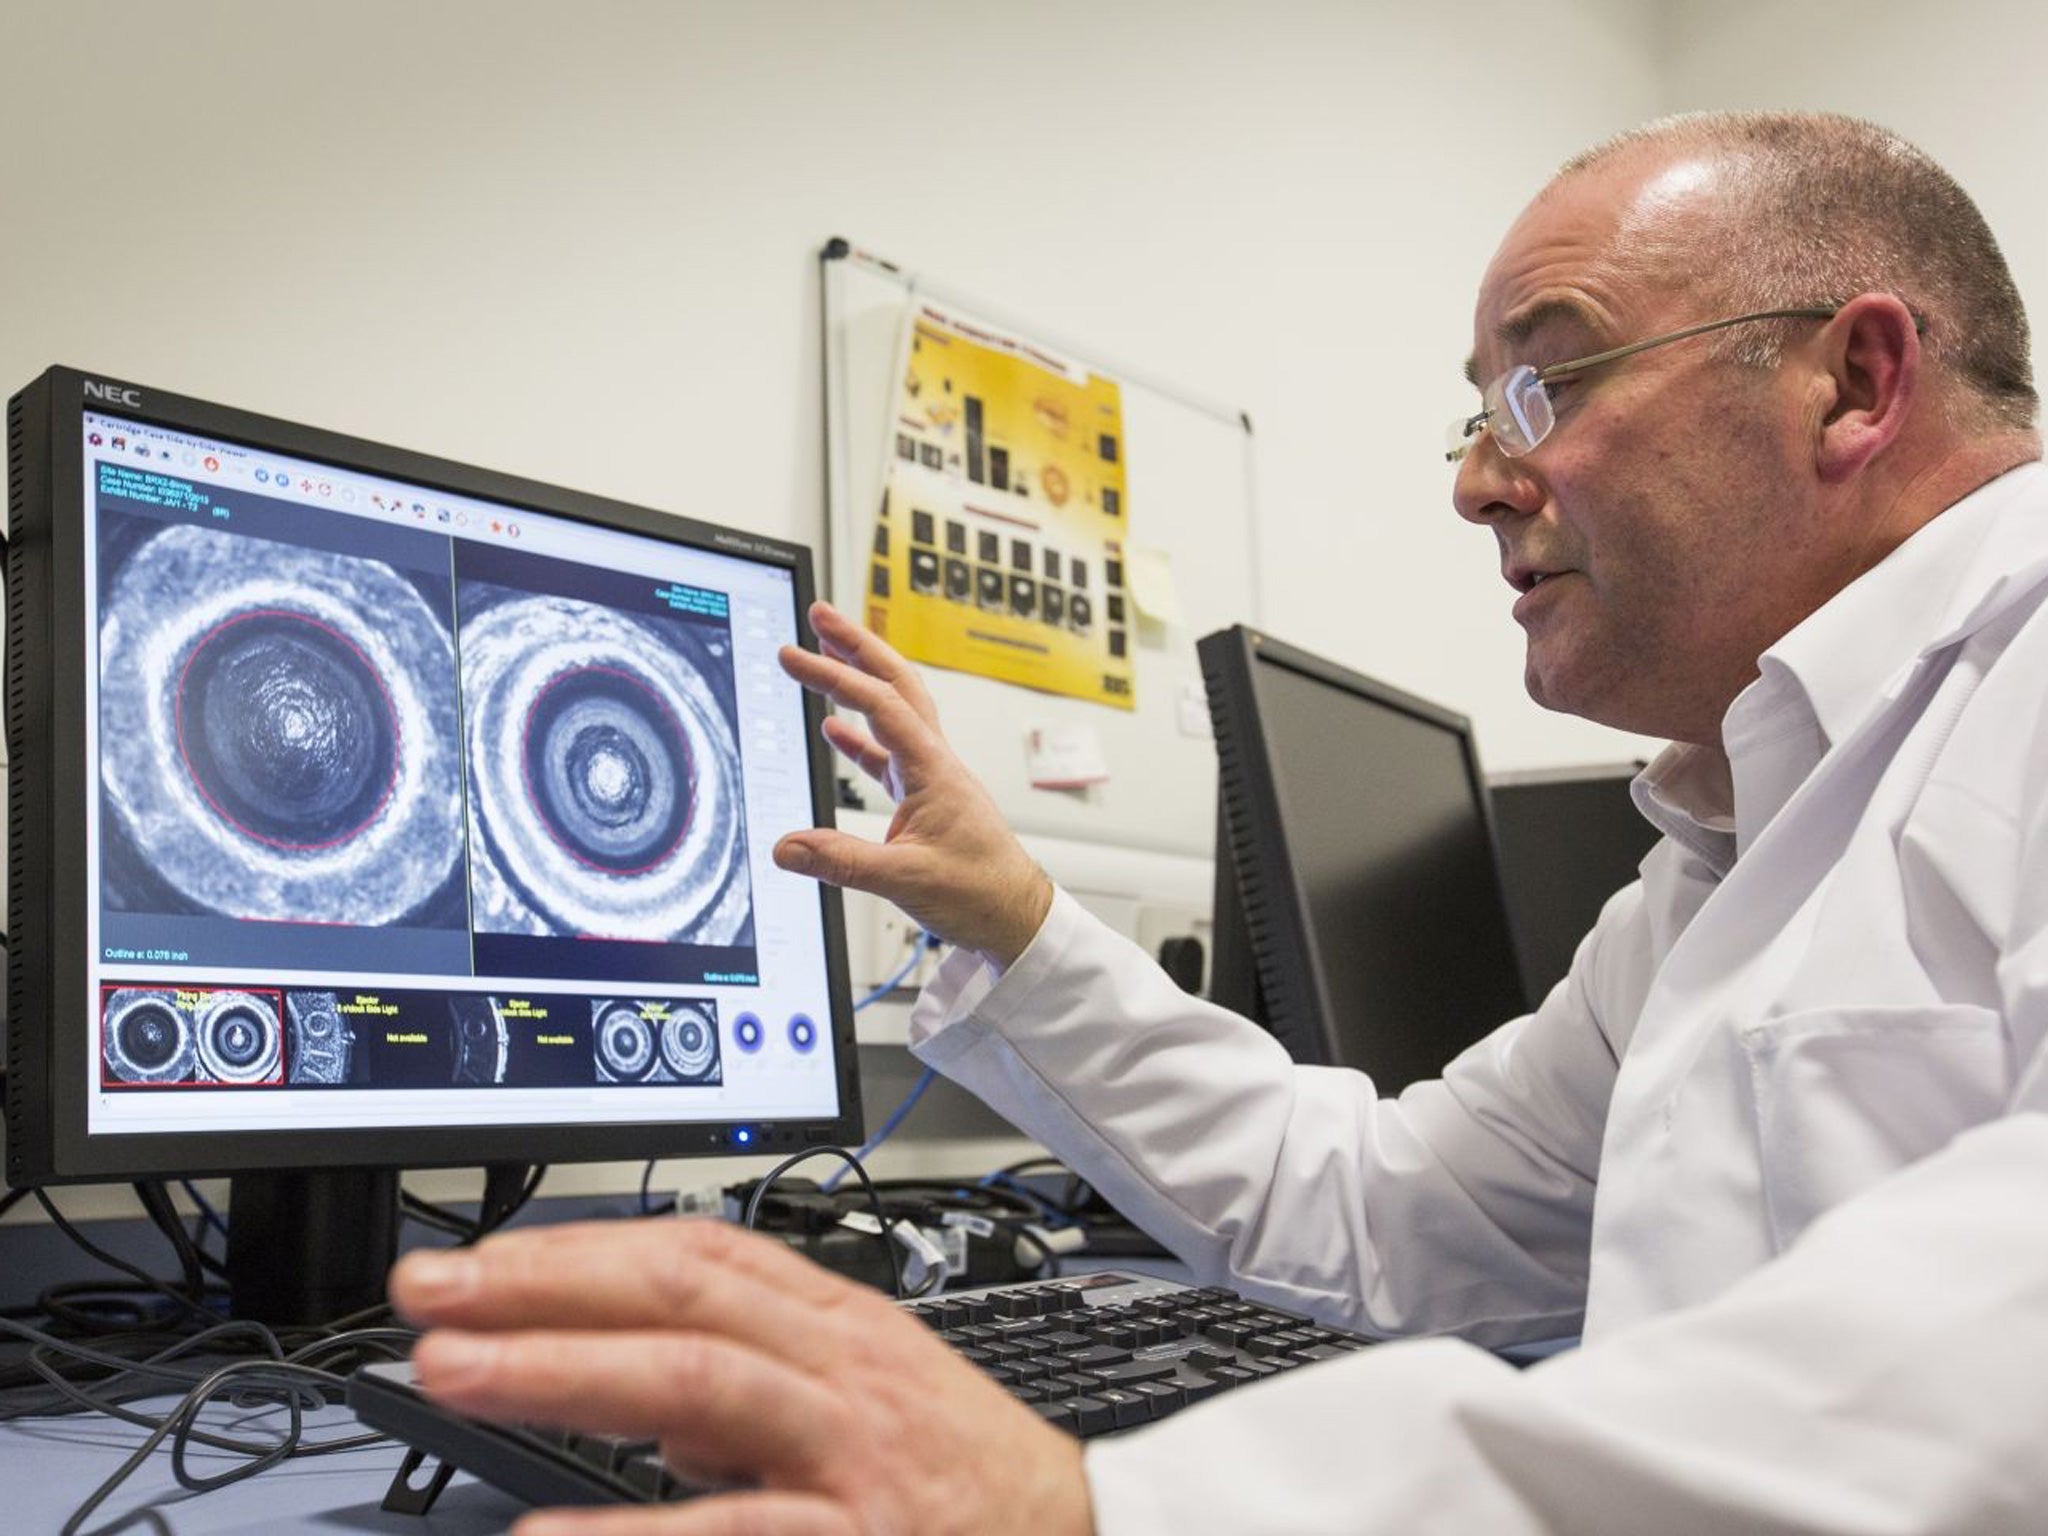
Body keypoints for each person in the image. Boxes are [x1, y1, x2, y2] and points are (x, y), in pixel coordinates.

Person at [390, 111, 2048, 1534]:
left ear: (1855, 381)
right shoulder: (1730, 848)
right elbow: (1391, 1207)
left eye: (1542, 387)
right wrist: (1017, 926)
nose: (1477, 478)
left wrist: (1107, 1508)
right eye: (1476, 417)